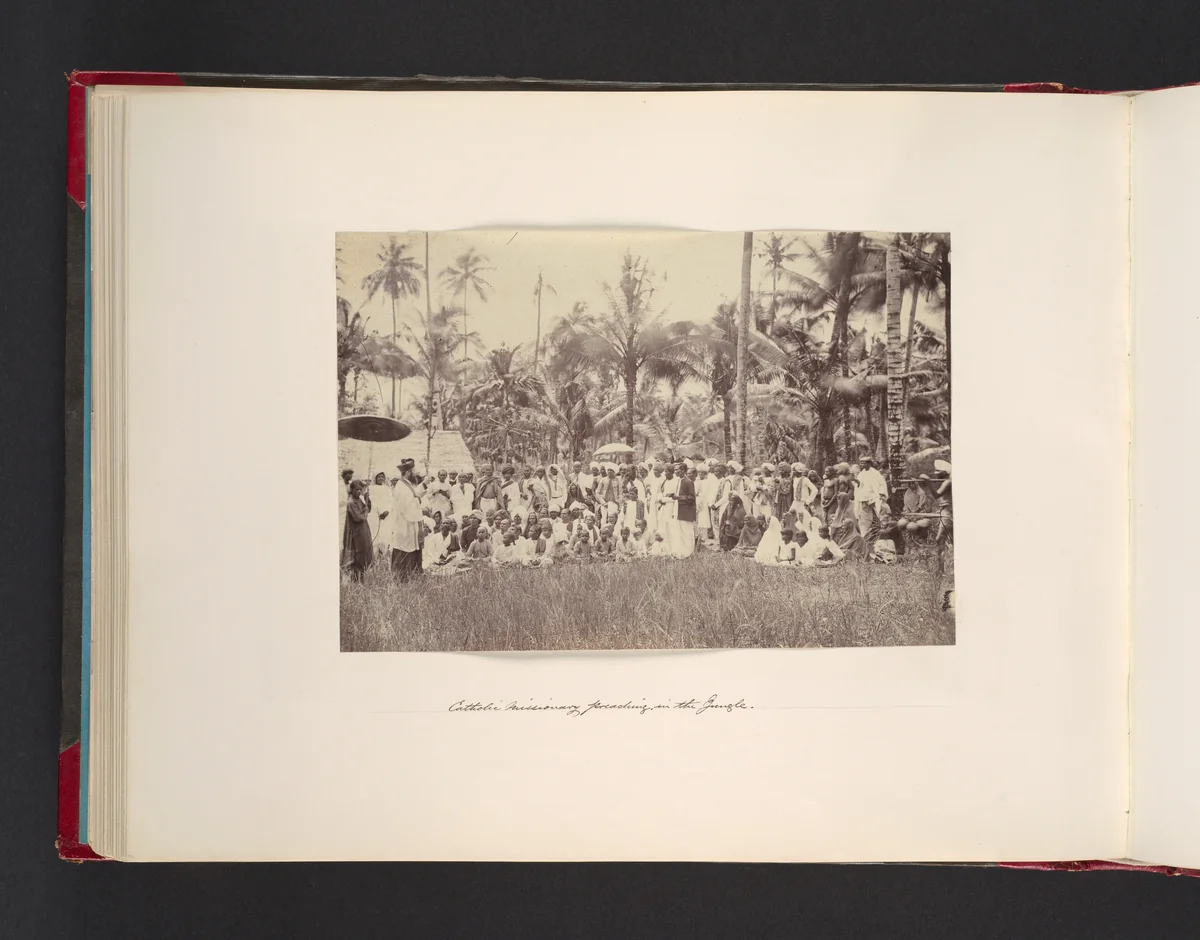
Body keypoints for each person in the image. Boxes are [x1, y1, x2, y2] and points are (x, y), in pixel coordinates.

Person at [390, 458, 426, 579]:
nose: (416, 473)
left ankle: (413, 573)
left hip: (410, 522)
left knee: (412, 546)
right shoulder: (401, 487)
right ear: (408, 472)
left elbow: (413, 498)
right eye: (414, 470)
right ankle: (403, 576)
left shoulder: (407, 484)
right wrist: (418, 500)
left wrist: (417, 498)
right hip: (405, 523)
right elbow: (405, 506)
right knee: (405, 547)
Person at [342, 480, 374, 581]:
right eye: (356, 490)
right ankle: (356, 579)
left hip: (362, 530)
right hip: (356, 533)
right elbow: (359, 518)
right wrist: (365, 511)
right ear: (351, 490)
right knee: (358, 555)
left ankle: (361, 578)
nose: (358, 492)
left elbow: (368, 508)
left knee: (364, 552)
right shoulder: (351, 502)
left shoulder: (358, 499)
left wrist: (366, 498)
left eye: (360, 490)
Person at [856, 456, 888, 543]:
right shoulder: (861, 474)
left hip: (874, 498)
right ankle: (864, 537)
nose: (862, 465)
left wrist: (881, 494)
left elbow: (881, 484)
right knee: (864, 519)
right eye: (861, 463)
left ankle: (883, 535)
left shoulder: (876, 474)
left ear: (869, 463)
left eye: (864, 463)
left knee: (881, 514)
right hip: (864, 499)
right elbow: (859, 486)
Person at [828, 490, 867, 558]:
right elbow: (836, 522)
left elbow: (851, 523)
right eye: (837, 499)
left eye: (840, 499)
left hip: (847, 532)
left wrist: (841, 525)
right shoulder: (838, 509)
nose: (838, 501)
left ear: (844, 500)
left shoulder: (850, 509)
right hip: (838, 531)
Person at [367, 471, 394, 557]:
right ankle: (374, 554)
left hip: (386, 515)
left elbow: (390, 501)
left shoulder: (387, 489)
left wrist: (387, 511)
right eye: (379, 477)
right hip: (374, 514)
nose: (380, 478)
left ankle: (384, 553)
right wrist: (379, 512)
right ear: (375, 477)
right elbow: (372, 501)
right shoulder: (371, 488)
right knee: (374, 533)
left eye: (382, 476)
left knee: (384, 533)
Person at [674, 461, 698, 557]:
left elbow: (692, 498)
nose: (675, 472)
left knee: (687, 532)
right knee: (681, 532)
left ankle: (689, 552)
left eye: (677, 470)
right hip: (680, 510)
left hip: (687, 511)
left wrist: (679, 497)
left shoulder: (688, 482)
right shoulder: (680, 480)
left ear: (683, 470)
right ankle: (683, 551)